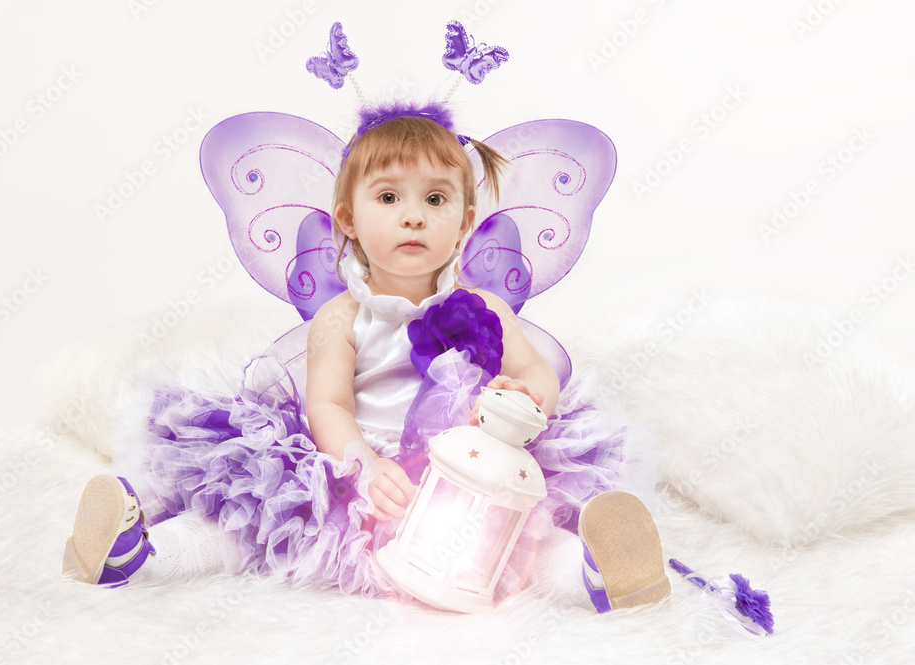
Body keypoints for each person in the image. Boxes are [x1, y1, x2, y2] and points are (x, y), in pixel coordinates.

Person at [62, 105, 669, 611]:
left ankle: (600, 572)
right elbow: (326, 403)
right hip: (361, 472)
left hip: (466, 474)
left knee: (523, 535)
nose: (413, 215)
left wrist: (530, 397)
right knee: (256, 521)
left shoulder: (482, 306)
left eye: (435, 199)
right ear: (348, 220)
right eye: (388, 197)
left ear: (464, 223)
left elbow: (536, 370)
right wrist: (364, 465)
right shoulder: (343, 317)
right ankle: (139, 553)